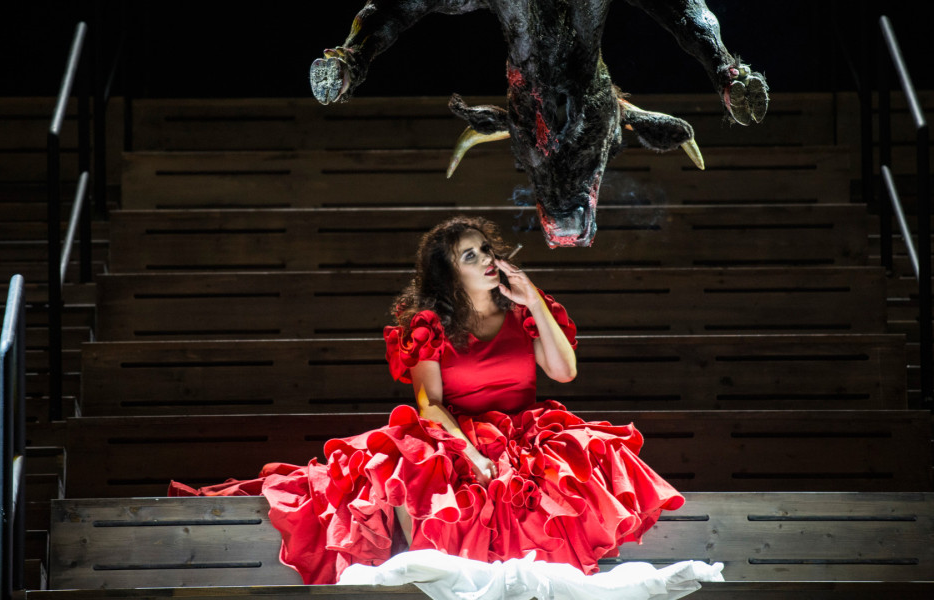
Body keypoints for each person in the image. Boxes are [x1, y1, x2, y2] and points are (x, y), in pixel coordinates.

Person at [170, 216, 685, 585]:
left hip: (522, 425)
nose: (486, 260)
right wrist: (472, 452)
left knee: (583, 457)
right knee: (434, 473)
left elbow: (564, 372)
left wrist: (535, 302)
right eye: (470, 255)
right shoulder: (429, 325)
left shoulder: (527, 309)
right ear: (449, 273)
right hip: (458, 428)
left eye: (487, 249)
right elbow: (429, 405)